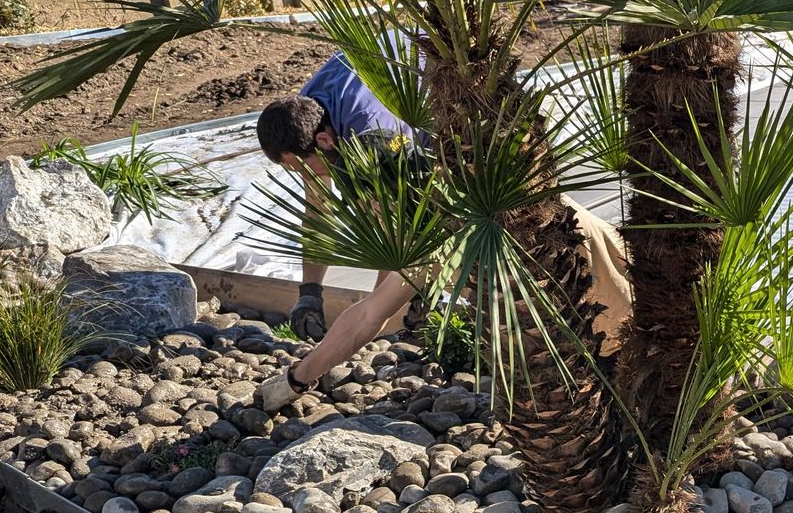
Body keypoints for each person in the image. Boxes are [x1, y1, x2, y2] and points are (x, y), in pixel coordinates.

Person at [251, 51, 631, 413]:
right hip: (549, 218)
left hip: (465, 96)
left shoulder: (379, 141)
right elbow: (321, 209)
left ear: (325, 141)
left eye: (306, 168)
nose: (307, 178)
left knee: (604, 317)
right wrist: (310, 291)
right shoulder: (305, 113)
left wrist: (297, 379)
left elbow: (375, 308)